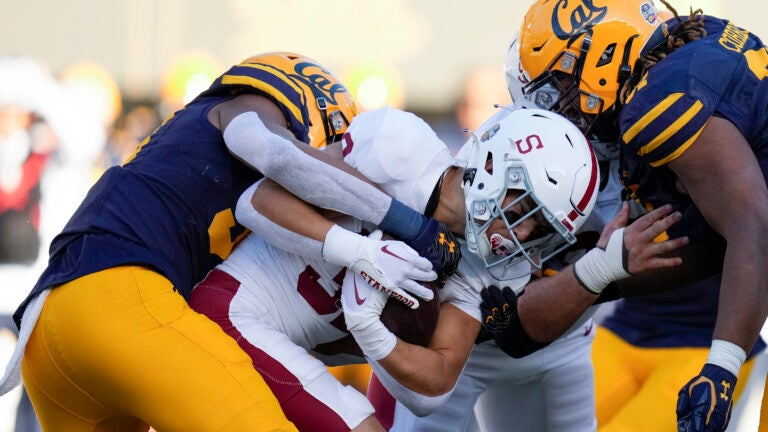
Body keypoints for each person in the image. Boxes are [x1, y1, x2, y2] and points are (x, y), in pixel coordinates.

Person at [0, 51, 459, 432]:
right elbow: (267, 147)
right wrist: (407, 223)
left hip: (49, 340)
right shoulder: (250, 110)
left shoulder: (191, 150)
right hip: (120, 305)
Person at [515, 1, 768, 430]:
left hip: (699, 335)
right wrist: (588, 279)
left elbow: (753, 225)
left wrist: (721, 367)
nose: (560, 104)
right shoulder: (696, 40)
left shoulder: (654, 106)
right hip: (638, 331)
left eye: (559, 82)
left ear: (602, 59)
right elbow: (708, 241)